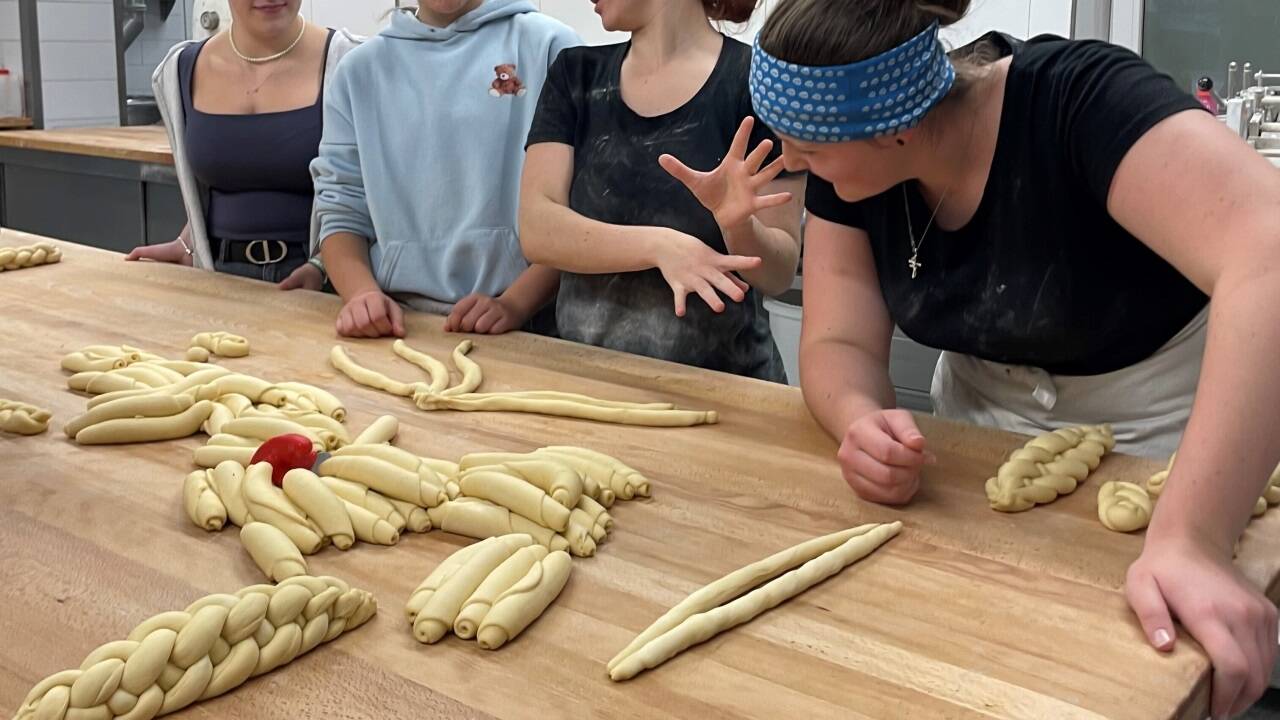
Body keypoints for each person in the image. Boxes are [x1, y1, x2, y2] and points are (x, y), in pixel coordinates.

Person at [753, 0, 1280, 715]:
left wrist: (1194, 538)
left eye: (807, 149)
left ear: (894, 129)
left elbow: (1268, 253)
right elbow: (838, 340)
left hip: (1170, 443)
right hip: (980, 448)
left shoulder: (1076, 101)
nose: (790, 164)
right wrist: (859, 420)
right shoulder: (853, 171)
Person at [519, 0, 804, 382]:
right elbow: (538, 230)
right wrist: (662, 248)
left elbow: (779, 272)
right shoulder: (575, 75)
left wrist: (740, 228)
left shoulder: (759, 84)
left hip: (725, 390)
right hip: (587, 382)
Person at [311, 0, 578, 339]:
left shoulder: (550, 46)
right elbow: (340, 210)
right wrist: (362, 294)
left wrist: (515, 303)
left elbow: (581, 209)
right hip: (395, 325)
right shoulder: (359, 72)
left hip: (529, 326)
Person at [128, 0, 359, 290]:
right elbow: (220, 182)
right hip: (217, 279)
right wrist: (189, 244)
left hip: (326, 282)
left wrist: (324, 266)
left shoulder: (350, 62)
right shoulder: (180, 69)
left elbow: (375, 197)